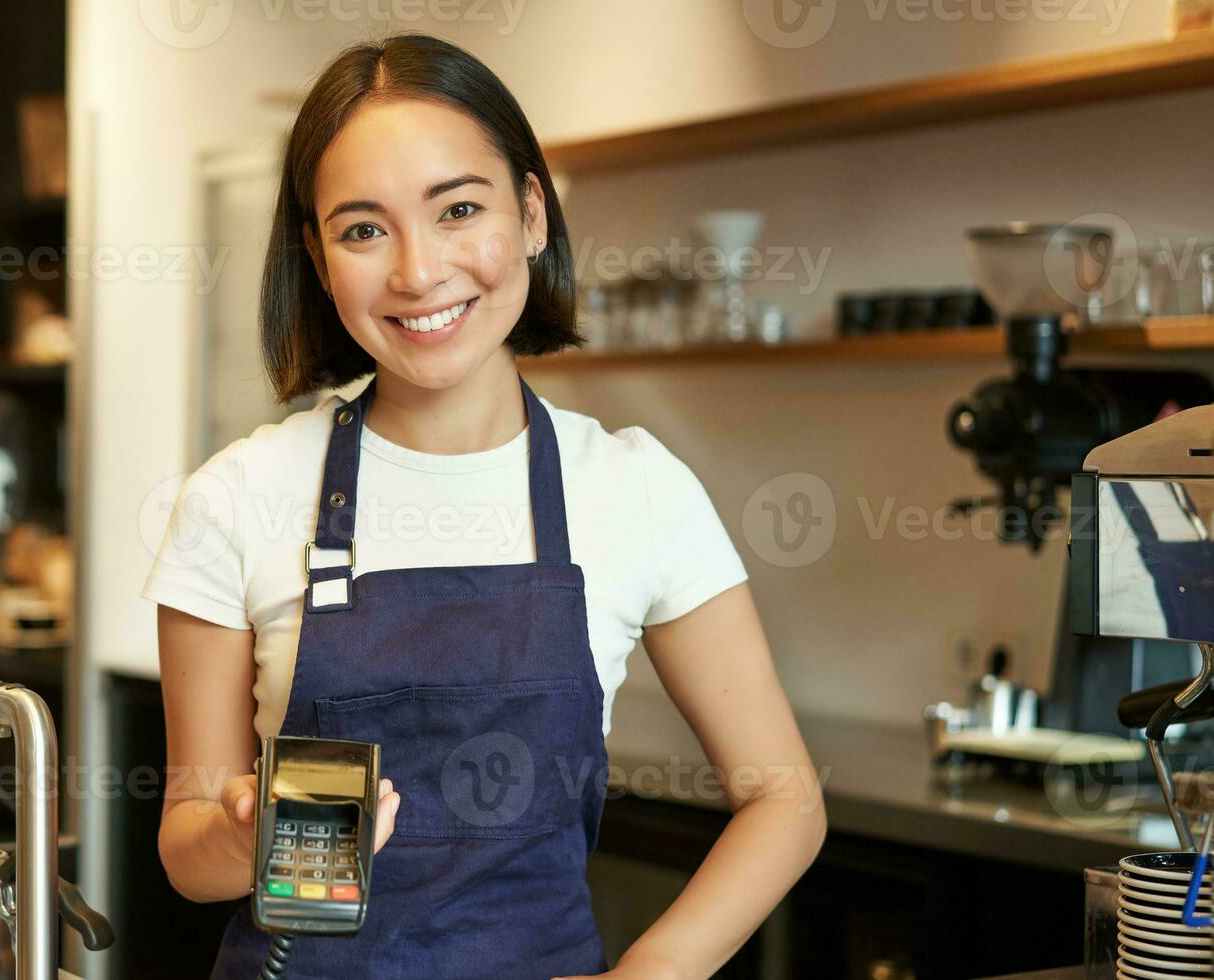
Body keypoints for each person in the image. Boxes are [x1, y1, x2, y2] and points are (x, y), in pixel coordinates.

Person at [145, 34, 824, 979]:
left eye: (459, 209)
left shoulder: (634, 489)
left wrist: (647, 973)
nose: (419, 273)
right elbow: (186, 852)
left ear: (534, 214)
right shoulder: (237, 497)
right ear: (317, 254)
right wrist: (245, 838)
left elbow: (785, 799)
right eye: (363, 229)